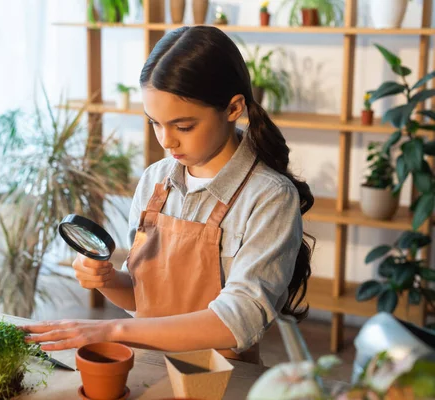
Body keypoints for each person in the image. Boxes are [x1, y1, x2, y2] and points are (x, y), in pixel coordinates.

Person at [20, 26, 315, 365]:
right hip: (144, 367)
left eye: (183, 126)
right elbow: (144, 297)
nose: (166, 141)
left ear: (233, 108)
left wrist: (111, 331)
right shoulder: (155, 180)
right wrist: (108, 281)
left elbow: (239, 320)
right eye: (154, 123)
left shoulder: (270, 198)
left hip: (218, 382)